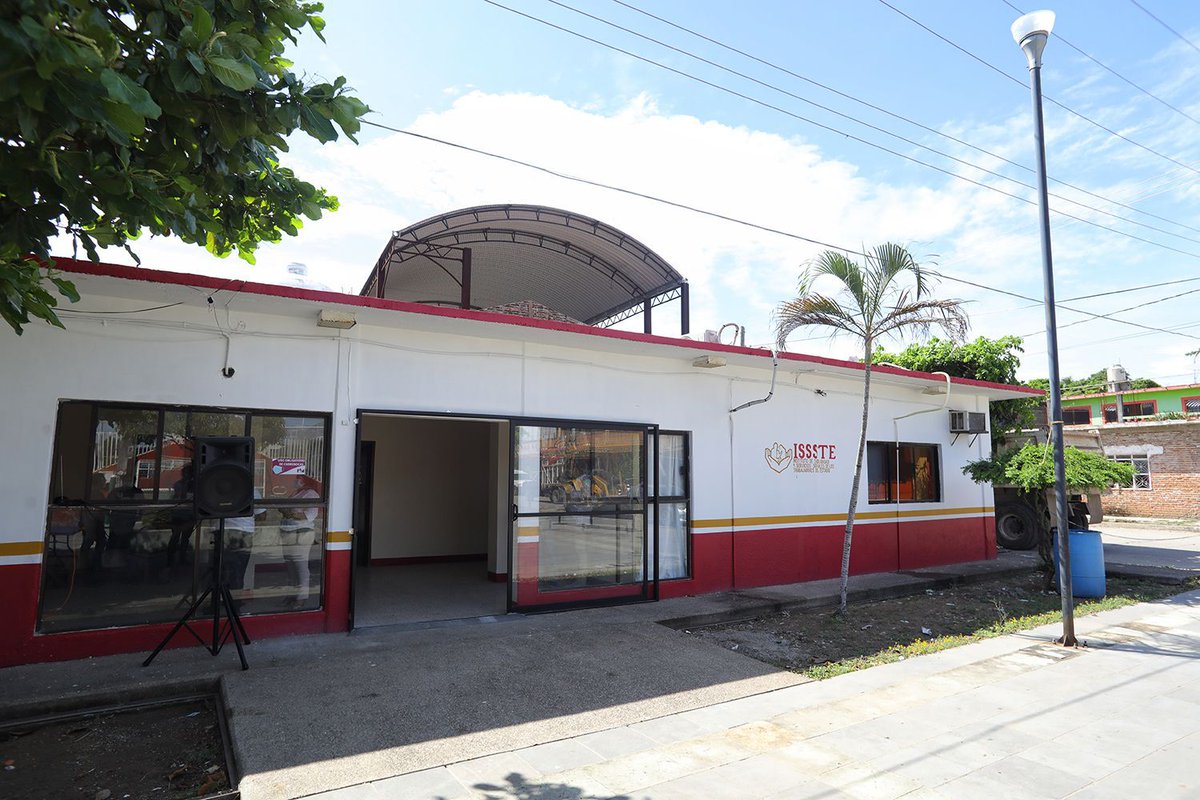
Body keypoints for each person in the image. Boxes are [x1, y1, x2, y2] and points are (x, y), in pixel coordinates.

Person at [278, 479, 319, 609]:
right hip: (287, 531)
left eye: (300, 478)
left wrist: (291, 513)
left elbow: (310, 515)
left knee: (300, 565)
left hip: (301, 532)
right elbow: (284, 508)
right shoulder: (296, 493)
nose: (296, 480)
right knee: (290, 565)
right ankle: (292, 594)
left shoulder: (311, 494)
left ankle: (301, 597)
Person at [166, 463, 195, 573]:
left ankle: (182, 557)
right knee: (175, 537)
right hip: (178, 514)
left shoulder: (195, 486)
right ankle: (170, 560)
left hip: (188, 515)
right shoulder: (178, 484)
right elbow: (180, 497)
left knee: (185, 538)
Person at [79, 472, 109, 579]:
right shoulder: (94, 493)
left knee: (99, 541)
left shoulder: (96, 493)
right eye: (103, 480)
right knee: (90, 541)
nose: (105, 482)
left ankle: (92, 564)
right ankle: (87, 565)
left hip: (96, 521)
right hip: (91, 521)